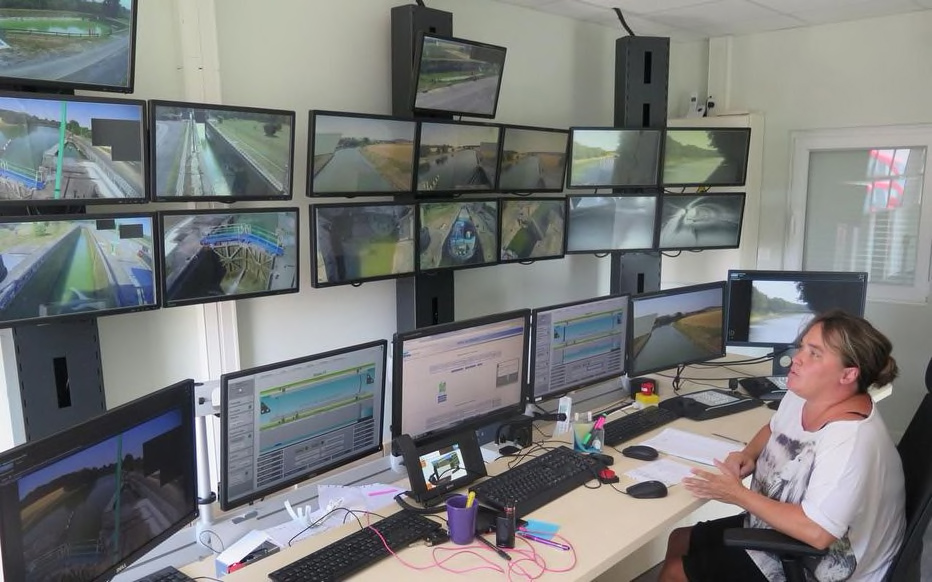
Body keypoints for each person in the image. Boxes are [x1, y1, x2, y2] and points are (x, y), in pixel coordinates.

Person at [660, 309, 905, 582]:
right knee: (680, 538)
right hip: (778, 527)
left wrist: (736, 494)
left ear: (848, 375)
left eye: (815, 353)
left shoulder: (850, 441)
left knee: (675, 573)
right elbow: (774, 428)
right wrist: (748, 454)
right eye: (802, 347)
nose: (796, 358)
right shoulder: (806, 394)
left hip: (823, 561)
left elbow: (818, 533)